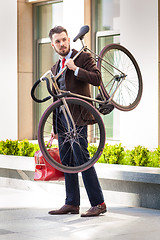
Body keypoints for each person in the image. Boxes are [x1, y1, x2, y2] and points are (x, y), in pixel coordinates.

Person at [48, 26, 106, 217]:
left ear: (68, 40)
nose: (62, 44)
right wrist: (55, 128)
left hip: (80, 117)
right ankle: (72, 203)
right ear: (53, 45)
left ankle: (99, 203)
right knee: (67, 161)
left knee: (83, 159)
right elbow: (56, 100)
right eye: (58, 41)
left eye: (64, 39)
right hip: (64, 121)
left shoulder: (82, 57)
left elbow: (97, 79)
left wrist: (76, 69)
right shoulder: (55, 68)